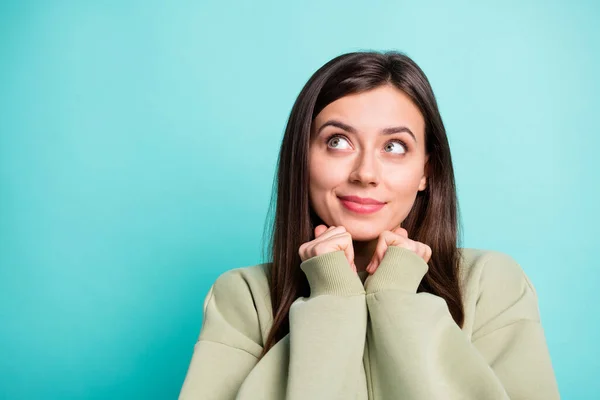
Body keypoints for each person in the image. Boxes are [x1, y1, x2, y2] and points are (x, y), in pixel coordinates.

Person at [178, 50, 561, 399]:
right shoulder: (243, 298)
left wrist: (395, 295)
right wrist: (332, 296)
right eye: (338, 141)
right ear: (302, 158)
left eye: (394, 146)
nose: (365, 173)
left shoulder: (490, 286)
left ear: (426, 171)